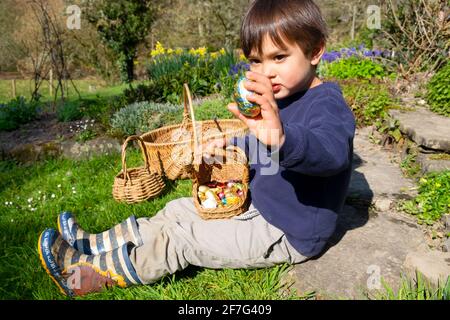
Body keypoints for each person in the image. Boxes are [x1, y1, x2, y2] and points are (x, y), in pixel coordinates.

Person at [38, 0, 356, 297]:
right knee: (176, 210)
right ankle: (93, 244)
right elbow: (261, 142)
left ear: (315, 51)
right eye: (256, 61)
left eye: (279, 57)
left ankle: (97, 274)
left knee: (181, 239)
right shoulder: (283, 97)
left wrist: (283, 139)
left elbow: (329, 154)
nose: (266, 71)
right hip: (255, 206)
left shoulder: (327, 105)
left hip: (285, 231)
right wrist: (233, 143)